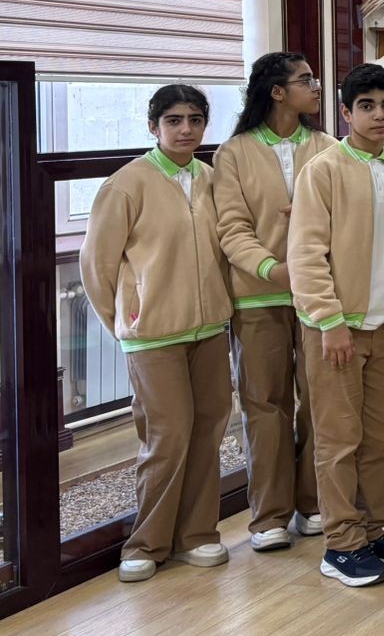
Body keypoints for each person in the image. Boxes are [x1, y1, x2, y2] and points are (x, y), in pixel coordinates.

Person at [80, 86, 235, 583]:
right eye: (173, 120)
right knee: (167, 436)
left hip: (210, 329)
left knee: (208, 430)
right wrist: (127, 320)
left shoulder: (211, 179)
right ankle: (146, 543)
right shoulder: (127, 185)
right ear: (153, 127)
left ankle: (197, 535)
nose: (185, 129)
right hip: (153, 336)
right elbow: (97, 266)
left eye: (195, 119)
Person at [288, 64, 384, 587]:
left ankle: (370, 529)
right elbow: (305, 254)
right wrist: (330, 321)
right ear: (346, 113)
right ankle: (341, 543)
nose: (379, 115)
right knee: (338, 440)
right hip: (336, 330)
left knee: (378, 441)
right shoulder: (322, 170)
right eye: (367, 106)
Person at [213, 52, 334, 553]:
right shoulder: (234, 153)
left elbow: (341, 217)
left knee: (321, 402)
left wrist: (307, 269)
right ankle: (268, 515)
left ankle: (313, 502)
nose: (317, 86)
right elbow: (231, 227)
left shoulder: (328, 147)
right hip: (257, 297)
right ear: (278, 92)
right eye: (306, 80)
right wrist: (272, 269)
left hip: (320, 297)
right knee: (265, 405)